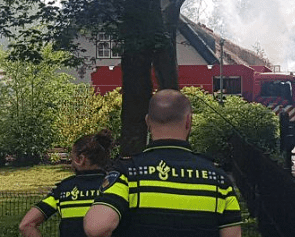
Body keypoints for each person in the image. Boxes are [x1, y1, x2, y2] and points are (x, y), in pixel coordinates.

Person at [83, 89, 243, 237]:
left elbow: (96, 227)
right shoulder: (219, 180)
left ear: (147, 121)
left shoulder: (128, 173)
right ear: (189, 121)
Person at [19, 129, 113, 237]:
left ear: (80, 159)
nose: (71, 162)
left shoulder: (64, 189)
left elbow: (26, 225)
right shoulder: (117, 186)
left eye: (71, 158)